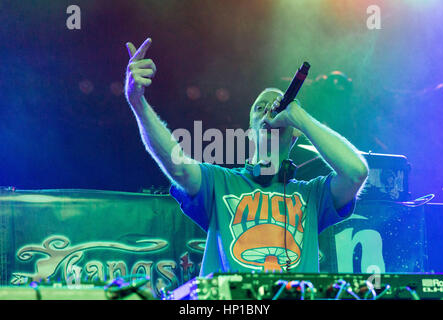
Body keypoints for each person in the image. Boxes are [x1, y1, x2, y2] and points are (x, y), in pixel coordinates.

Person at [124, 38, 368, 275]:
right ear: (251, 131)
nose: (270, 112)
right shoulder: (220, 181)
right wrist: (138, 103)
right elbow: (178, 168)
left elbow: (356, 173)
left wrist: (300, 118)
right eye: (260, 109)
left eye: (278, 106)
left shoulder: (313, 195)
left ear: (294, 132)